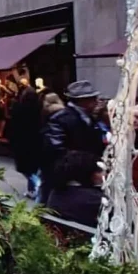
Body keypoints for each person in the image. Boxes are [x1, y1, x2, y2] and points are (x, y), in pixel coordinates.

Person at [41, 80, 106, 209]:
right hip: (68, 178)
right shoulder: (60, 119)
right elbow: (56, 151)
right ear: (83, 100)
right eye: (93, 98)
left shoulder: (90, 117)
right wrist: (85, 162)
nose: (96, 101)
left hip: (86, 174)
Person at [8, 85, 43, 199]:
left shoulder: (18, 108)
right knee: (33, 166)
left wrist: (11, 140)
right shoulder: (40, 108)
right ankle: (31, 190)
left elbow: (13, 126)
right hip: (37, 141)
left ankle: (37, 184)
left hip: (22, 141)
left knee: (26, 169)